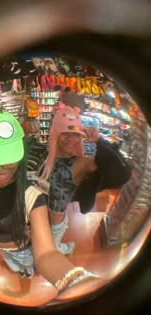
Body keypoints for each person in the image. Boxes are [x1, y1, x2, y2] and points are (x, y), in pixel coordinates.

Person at [0, 110, 98, 299]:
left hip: (25, 250)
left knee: (29, 262)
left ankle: (28, 269)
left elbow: (46, 254)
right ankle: (23, 270)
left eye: (8, 159)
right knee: (16, 266)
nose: (0, 169)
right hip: (3, 250)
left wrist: (75, 281)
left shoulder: (32, 196)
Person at [36, 106, 132, 255]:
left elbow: (122, 175)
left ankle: (57, 248)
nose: (71, 138)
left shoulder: (81, 164)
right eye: (65, 133)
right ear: (55, 133)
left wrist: (100, 141)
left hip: (57, 220)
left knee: (51, 247)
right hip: (39, 214)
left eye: (76, 134)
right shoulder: (43, 155)